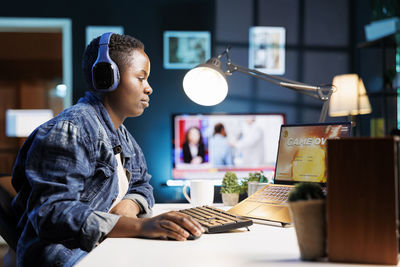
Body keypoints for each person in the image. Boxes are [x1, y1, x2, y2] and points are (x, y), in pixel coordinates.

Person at [10, 33, 203, 267]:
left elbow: (142, 185)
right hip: (65, 258)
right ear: (106, 78)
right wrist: (140, 226)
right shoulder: (70, 130)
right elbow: (52, 214)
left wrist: (126, 209)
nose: (149, 88)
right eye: (141, 78)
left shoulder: (121, 134)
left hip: (101, 251)